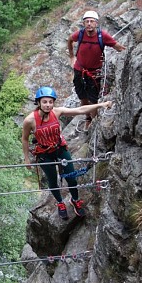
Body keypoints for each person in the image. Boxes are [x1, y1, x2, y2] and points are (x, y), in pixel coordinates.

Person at [22, 87, 112, 220]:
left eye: (50, 102)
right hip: (44, 154)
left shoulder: (57, 112)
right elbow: (24, 139)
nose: (48, 105)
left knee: (71, 178)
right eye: (45, 102)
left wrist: (101, 105)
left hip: (60, 148)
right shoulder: (30, 120)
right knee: (52, 181)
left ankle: (75, 200)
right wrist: (26, 159)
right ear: (39, 102)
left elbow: (80, 110)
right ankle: (60, 203)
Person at [67, 10, 126, 125]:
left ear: (96, 23)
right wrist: (71, 57)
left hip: (94, 73)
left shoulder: (102, 36)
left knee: (93, 98)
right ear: (83, 24)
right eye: (87, 21)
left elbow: (117, 47)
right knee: (82, 96)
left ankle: (93, 122)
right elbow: (70, 40)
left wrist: (128, 53)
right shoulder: (80, 34)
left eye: (91, 21)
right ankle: (88, 118)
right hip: (79, 70)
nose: (89, 23)